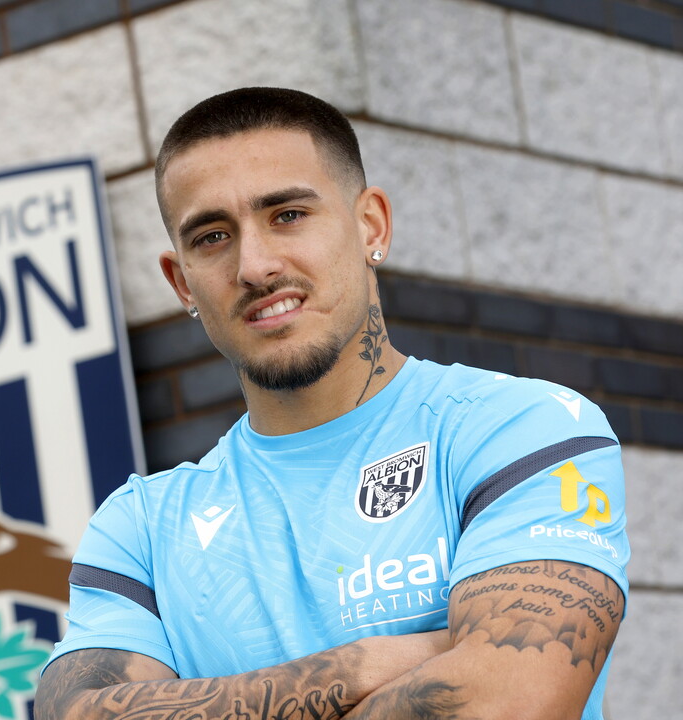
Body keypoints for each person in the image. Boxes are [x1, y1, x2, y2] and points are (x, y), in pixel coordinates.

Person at [34, 87, 628, 720]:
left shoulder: (523, 431)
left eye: (287, 214)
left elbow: (505, 702)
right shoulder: (141, 529)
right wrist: (371, 663)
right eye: (212, 236)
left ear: (371, 225)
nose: (255, 266)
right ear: (182, 282)